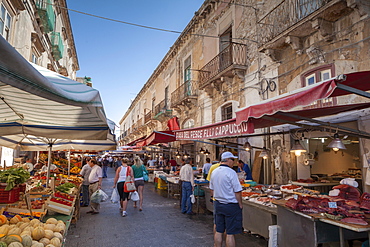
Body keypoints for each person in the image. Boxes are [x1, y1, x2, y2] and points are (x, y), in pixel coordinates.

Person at [210, 152, 243, 247]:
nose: (234, 162)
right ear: (227, 160)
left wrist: (214, 199)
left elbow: (212, 190)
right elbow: (237, 191)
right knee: (230, 233)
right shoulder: (231, 173)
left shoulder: (214, 171)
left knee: (219, 230)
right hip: (230, 205)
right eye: (232, 160)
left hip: (218, 204)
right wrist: (240, 204)